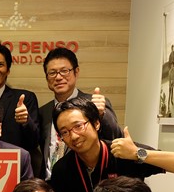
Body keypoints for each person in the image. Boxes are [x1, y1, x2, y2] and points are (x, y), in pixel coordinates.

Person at [38, 47, 123, 179]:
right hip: (50, 182)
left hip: (85, 180)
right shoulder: (43, 111)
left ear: (76, 72)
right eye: (52, 73)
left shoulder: (94, 103)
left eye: (64, 71)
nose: (58, 77)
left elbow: (116, 138)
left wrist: (102, 115)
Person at [0, 40, 43, 177]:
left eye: (0, 65)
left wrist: (26, 121)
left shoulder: (25, 99)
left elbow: (34, 142)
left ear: (8, 70)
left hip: (17, 173)